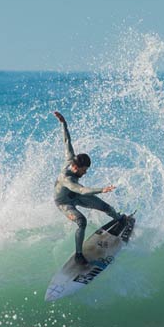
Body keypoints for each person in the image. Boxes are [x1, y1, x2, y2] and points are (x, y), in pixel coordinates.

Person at [52, 111, 121, 264]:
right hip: (64, 202)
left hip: (76, 195)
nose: (86, 172)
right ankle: (78, 255)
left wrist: (63, 123)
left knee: (105, 207)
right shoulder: (66, 178)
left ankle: (119, 219)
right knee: (81, 221)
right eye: (84, 169)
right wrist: (101, 189)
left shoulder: (71, 158)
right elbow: (82, 190)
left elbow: (66, 141)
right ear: (76, 168)